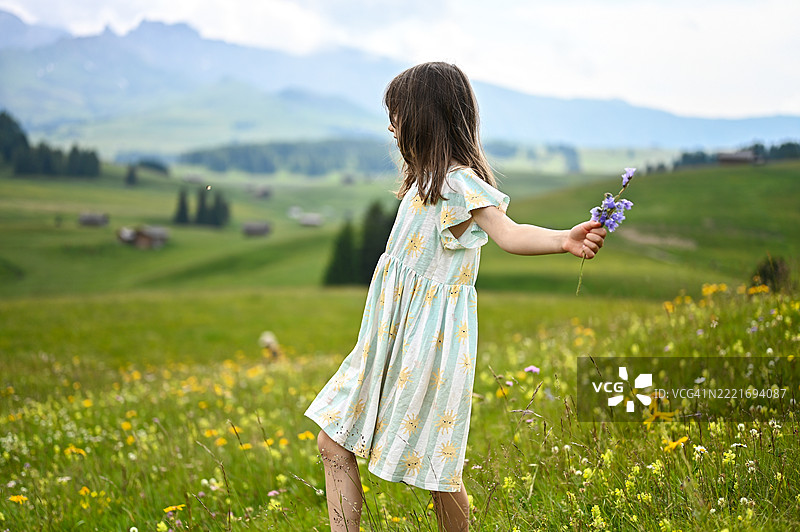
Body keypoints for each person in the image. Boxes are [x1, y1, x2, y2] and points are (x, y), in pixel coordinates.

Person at [304, 62, 607, 532]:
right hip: (386, 341)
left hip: (427, 347)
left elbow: (509, 233)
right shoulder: (423, 183)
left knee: (437, 471)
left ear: (425, 117)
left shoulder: (458, 183)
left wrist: (563, 239)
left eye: (398, 114)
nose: (392, 126)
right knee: (333, 442)